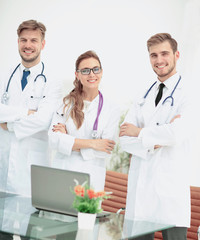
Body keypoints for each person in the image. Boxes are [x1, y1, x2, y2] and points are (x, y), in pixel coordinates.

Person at [119, 33, 191, 240]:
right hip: (140, 191)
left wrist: (140, 132)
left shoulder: (190, 93)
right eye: (153, 55)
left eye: (164, 54)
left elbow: (177, 133)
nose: (159, 60)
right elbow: (124, 138)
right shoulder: (144, 93)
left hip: (170, 192)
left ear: (177, 55)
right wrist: (156, 141)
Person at [0, 20, 62, 197]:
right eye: (23, 40)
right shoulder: (4, 74)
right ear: (18, 42)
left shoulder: (52, 81)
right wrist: (25, 113)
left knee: (28, 221)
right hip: (3, 160)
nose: (28, 45)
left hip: (30, 169)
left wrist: (8, 124)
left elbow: (42, 121)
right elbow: (33, 117)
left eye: (33, 40)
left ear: (42, 44)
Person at [48, 50, 119, 191]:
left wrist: (68, 141)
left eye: (95, 69)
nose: (92, 74)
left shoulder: (111, 109)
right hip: (63, 171)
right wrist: (93, 143)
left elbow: (105, 149)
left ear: (101, 72)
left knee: (86, 212)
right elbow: (54, 140)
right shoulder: (65, 104)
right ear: (77, 74)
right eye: (85, 70)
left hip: (91, 177)